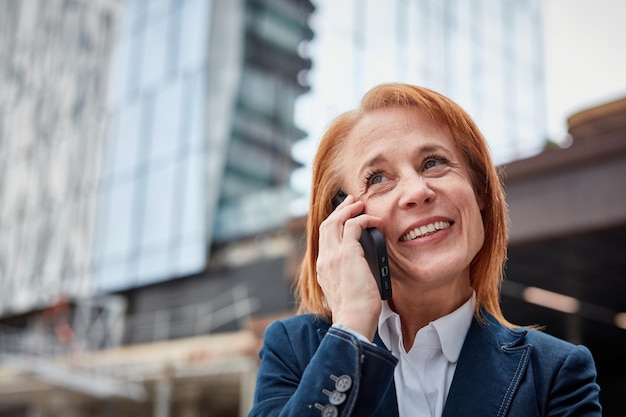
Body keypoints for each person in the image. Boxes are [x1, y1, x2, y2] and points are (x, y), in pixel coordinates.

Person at [247, 83, 601, 417]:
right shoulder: (295, 349)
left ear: (478, 191)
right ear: (344, 221)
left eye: (433, 162)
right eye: (378, 178)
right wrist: (352, 330)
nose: (417, 191)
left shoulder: (556, 372)